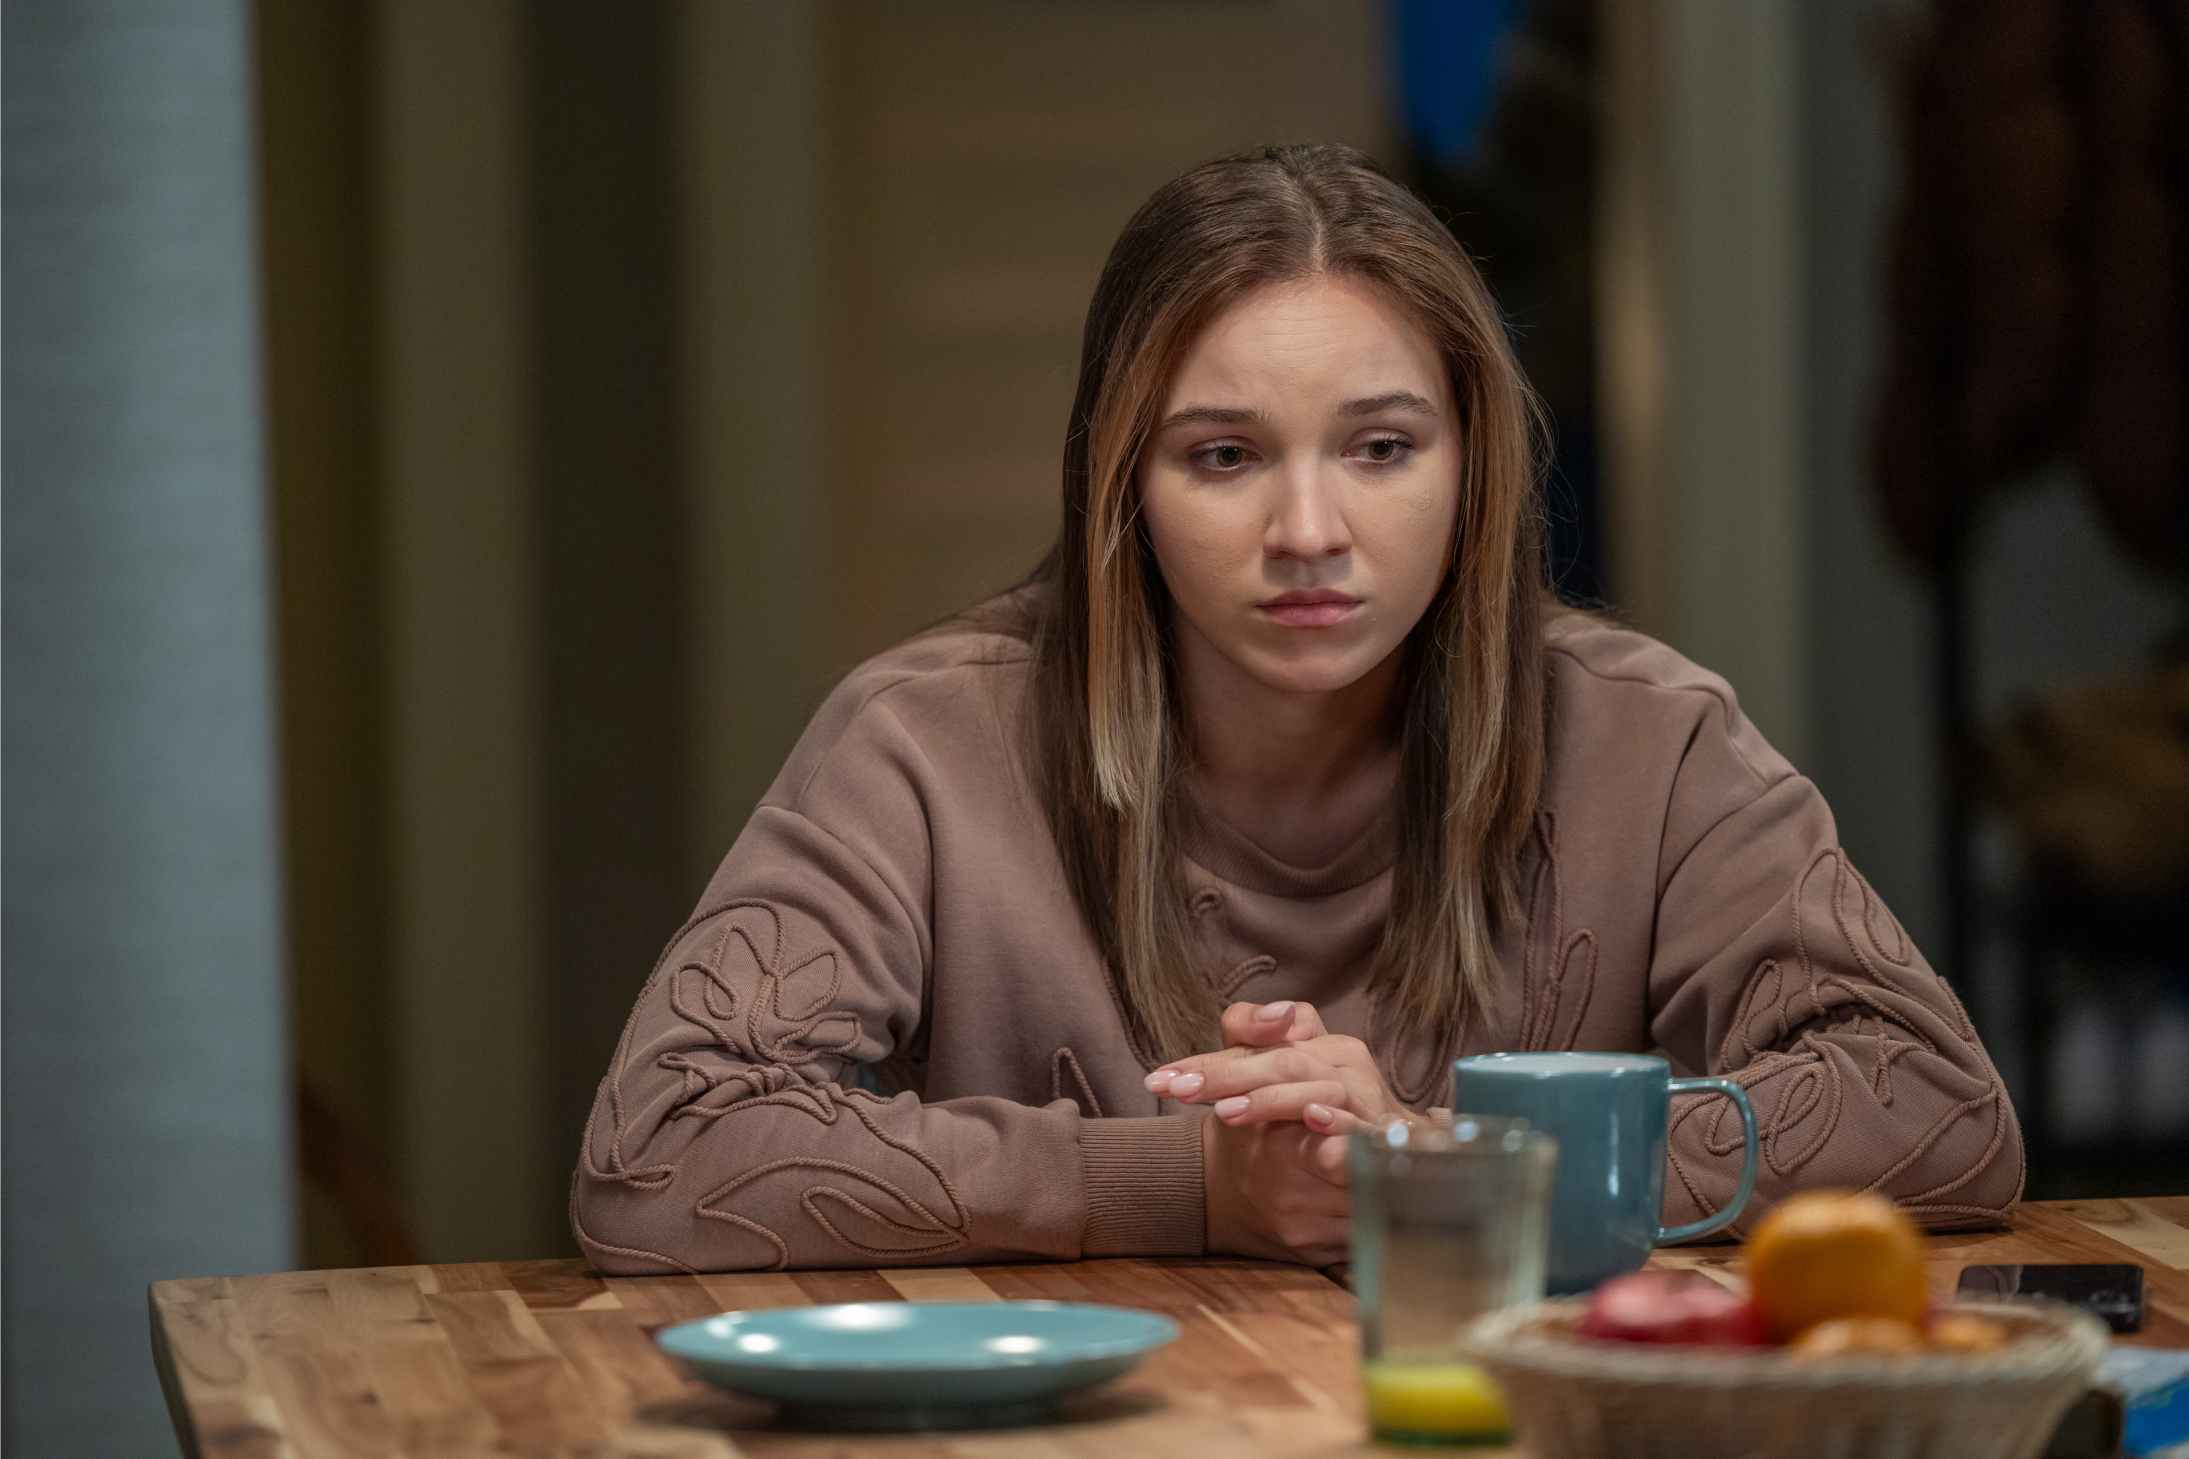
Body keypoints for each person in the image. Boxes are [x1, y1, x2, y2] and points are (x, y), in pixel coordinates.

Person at [571, 143, 2021, 1275]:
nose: (1309, 531)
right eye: (1223, 456)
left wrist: (1440, 1159)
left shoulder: (1650, 737)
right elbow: (661, 1153)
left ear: (1472, 463)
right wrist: (1194, 1185)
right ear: (1120, 486)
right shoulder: (922, 745)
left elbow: (1934, 1106)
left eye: (1381, 447)